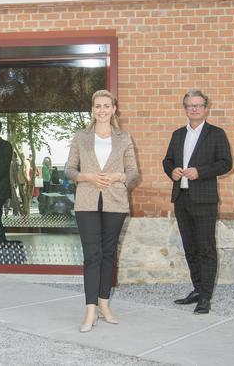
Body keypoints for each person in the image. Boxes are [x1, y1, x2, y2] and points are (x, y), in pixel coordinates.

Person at [65, 89, 139, 333]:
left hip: (115, 202)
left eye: (107, 105)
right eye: (98, 106)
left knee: (108, 254)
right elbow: (69, 170)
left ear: (114, 109)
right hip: (86, 201)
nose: (103, 110)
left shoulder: (124, 138)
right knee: (92, 256)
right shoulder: (81, 137)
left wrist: (119, 176)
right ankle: (89, 310)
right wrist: (87, 177)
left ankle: (104, 305)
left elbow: (133, 172)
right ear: (93, 109)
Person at [162, 90, 232, 315]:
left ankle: (205, 297)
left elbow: (225, 164)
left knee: (206, 249)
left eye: (198, 105)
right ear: (185, 108)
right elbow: (168, 160)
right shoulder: (177, 134)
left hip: (204, 201)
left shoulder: (216, 133)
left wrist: (199, 172)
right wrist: (171, 171)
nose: (194, 109)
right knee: (190, 248)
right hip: (181, 199)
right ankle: (197, 288)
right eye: (190, 105)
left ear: (205, 108)